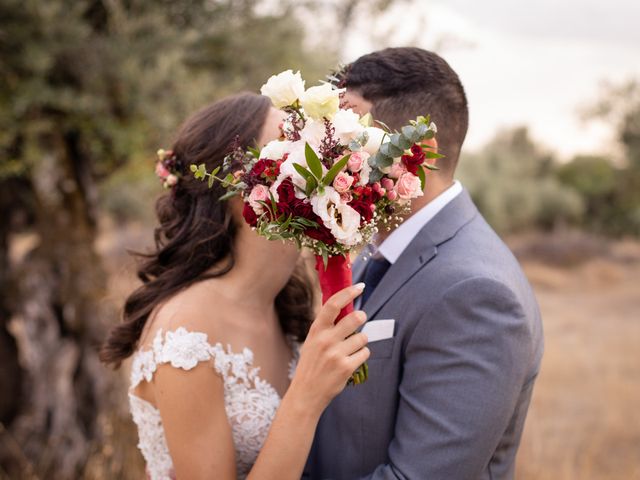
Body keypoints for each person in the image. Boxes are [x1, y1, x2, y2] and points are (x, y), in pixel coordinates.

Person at [100, 93, 370, 480]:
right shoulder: (185, 336)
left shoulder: (284, 306)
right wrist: (307, 397)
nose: (318, 161)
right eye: (290, 146)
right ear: (237, 192)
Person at [304, 47, 544, 479]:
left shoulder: (476, 293)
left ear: (419, 153)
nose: (326, 159)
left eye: (347, 139)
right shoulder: (375, 253)